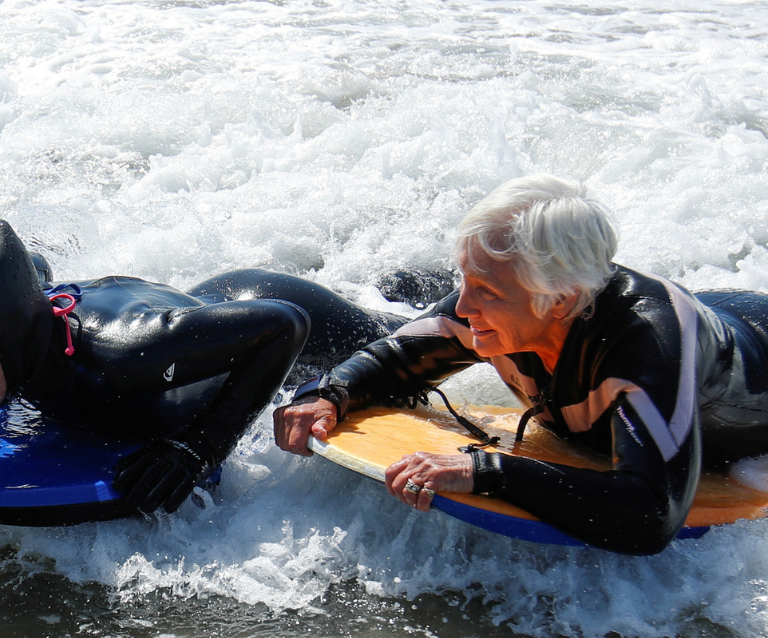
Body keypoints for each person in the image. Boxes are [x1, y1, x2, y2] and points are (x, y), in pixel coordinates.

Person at [273, 174, 768, 555]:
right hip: (723, 312)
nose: (462, 307)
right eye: (464, 281)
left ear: (561, 299)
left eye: (485, 291)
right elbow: (396, 358)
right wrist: (329, 394)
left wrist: (487, 471)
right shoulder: (508, 299)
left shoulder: (649, 346)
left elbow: (651, 514)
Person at [0, 219, 411, 515]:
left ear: (5, 332)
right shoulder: (22, 335)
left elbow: (286, 325)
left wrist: (196, 449)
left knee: (413, 337)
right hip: (191, 320)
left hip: (285, 317)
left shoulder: (122, 354)